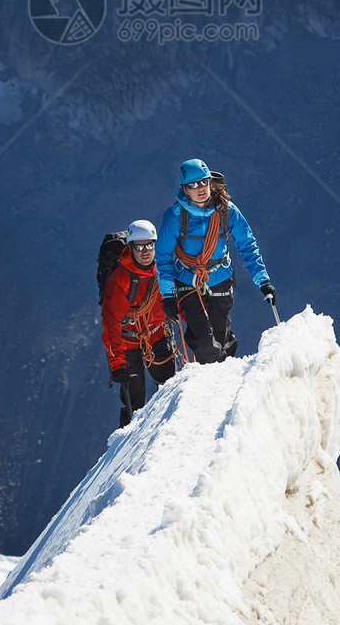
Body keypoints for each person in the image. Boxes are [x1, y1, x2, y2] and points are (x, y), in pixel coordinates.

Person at [155, 159, 276, 363]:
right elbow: (163, 256)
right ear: (184, 189)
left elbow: (247, 244)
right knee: (205, 344)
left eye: (203, 182)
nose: (200, 188)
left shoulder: (227, 211)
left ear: (210, 182)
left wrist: (262, 280)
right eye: (192, 185)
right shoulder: (175, 216)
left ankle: (222, 381)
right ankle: (210, 379)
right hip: (188, 280)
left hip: (221, 278)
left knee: (222, 340)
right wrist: (167, 294)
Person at [101, 220, 176, 427]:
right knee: (134, 406)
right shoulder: (119, 280)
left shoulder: (164, 270)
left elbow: (177, 300)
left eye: (149, 245)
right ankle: (127, 449)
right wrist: (117, 363)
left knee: (171, 390)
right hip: (127, 343)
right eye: (139, 246)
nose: (145, 251)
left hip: (157, 335)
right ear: (130, 248)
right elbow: (111, 324)